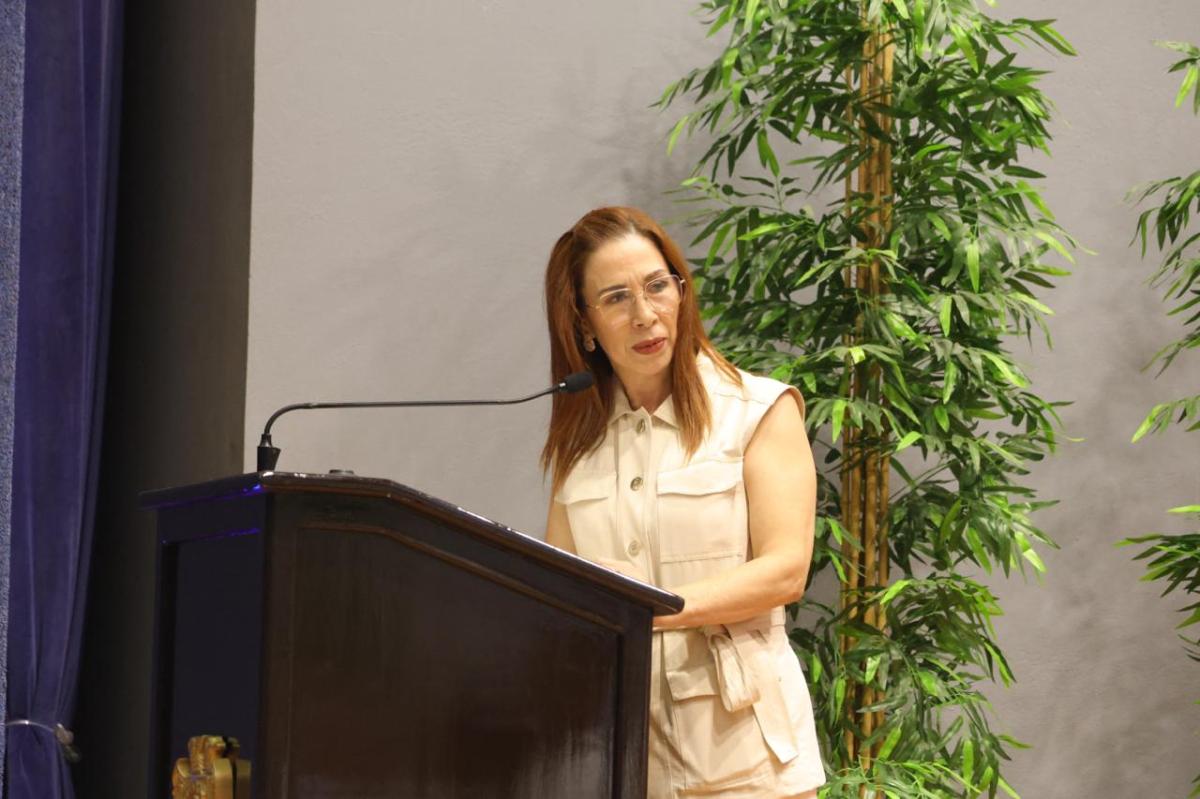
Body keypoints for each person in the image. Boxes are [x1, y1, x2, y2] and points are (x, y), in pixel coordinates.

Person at [541, 206, 827, 798]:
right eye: (616, 298)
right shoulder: (580, 448)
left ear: (681, 291)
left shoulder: (759, 411)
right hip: (621, 761)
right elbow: (560, 595)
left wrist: (643, 609)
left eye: (656, 286)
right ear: (585, 324)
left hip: (749, 762)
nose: (645, 315)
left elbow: (786, 570)